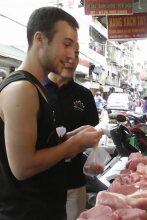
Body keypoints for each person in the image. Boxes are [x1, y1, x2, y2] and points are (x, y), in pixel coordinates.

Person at [0, 7, 103, 220]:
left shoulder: (35, 87)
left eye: (74, 48)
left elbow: (38, 145)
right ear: (40, 39)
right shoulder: (22, 89)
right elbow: (23, 165)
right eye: (66, 44)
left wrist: (70, 137)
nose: (70, 56)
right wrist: (72, 146)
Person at [44, 43, 99, 220]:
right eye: (66, 53)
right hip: (41, 183)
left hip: (74, 180)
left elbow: (90, 134)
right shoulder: (35, 90)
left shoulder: (84, 95)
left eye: (76, 54)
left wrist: (93, 156)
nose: (71, 60)